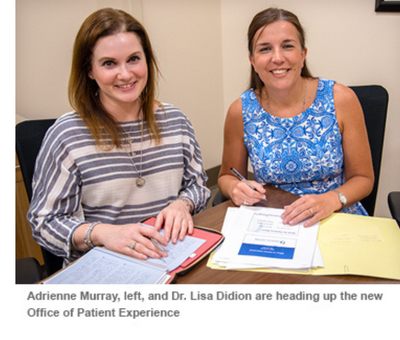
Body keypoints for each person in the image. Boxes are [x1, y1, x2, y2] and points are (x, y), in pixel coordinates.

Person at [28, 8, 210, 266]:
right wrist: (102, 233)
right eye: (109, 63)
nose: (125, 74)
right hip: (107, 267)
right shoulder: (66, 135)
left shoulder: (176, 120)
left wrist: (183, 204)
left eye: (134, 59)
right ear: (89, 71)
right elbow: (44, 223)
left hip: (170, 256)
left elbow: (199, 185)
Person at [218, 7, 374, 228]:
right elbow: (227, 175)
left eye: (287, 46)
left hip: (336, 216)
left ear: (303, 54)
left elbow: (363, 179)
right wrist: (234, 188)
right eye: (265, 49)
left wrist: (332, 199)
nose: (278, 58)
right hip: (274, 222)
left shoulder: (341, 99)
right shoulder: (240, 111)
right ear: (252, 60)